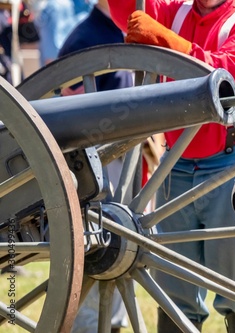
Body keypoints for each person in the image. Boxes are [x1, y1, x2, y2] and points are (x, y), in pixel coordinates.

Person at [107, 0, 235, 332]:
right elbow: (123, 9)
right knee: (175, 292)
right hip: (174, 169)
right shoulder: (174, 10)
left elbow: (225, 72)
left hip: (226, 169)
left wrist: (164, 39)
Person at [56, 1, 133, 332]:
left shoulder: (117, 31)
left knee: (120, 245)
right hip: (94, 164)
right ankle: (89, 324)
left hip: (120, 158)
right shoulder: (85, 38)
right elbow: (66, 111)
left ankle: (111, 321)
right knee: (95, 244)